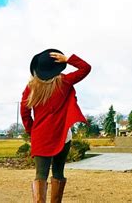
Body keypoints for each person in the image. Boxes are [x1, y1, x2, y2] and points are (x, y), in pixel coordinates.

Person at [20, 49, 91, 203]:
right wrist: (68, 59)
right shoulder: (64, 82)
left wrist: (31, 131)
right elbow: (86, 68)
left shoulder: (30, 88)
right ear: (56, 68)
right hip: (62, 135)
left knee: (41, 175)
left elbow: (24, 113)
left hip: (40, 137)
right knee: (58, 172)